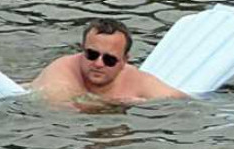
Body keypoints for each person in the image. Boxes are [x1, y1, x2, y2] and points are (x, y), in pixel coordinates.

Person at [29, 19, 188, 104]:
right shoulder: (63, 70)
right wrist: (115, 103)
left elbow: (182, 101)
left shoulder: (134, 78)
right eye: (92, 54)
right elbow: (59, 107)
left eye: (109, 59)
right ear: (82, 49)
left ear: (124, 61)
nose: (98, 64)